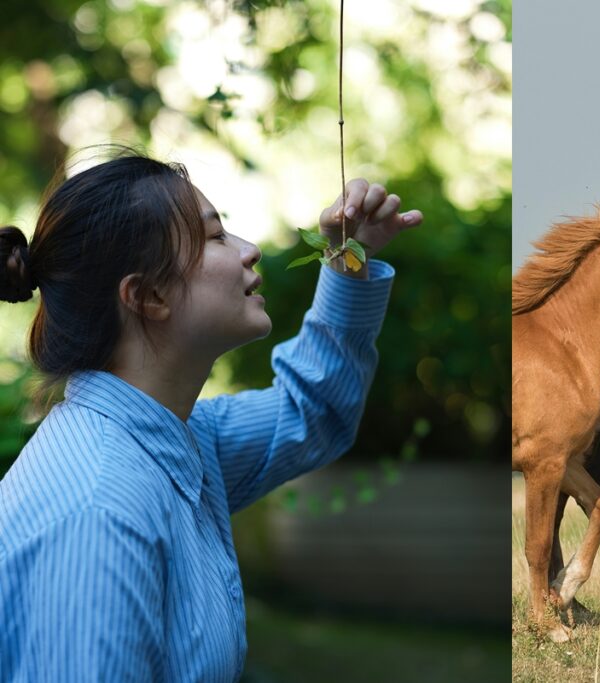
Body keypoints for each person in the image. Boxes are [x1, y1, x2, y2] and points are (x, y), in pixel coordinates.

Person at [0, 152, 422, 682]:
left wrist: (348, 261)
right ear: (148, 296)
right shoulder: (98, 512)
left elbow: (312, 413)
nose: (251, 251)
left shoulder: (176, 440)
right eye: (218, 236)